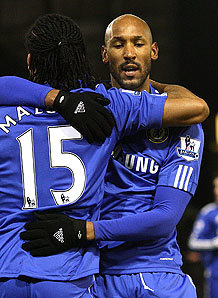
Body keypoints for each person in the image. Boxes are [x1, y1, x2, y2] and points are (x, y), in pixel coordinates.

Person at [0, 14, 209, 297]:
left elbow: (166, 216)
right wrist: (61, 99)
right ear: (103, 54)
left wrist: (83, 231)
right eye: (118, 44)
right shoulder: (102, 105)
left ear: (154, 51)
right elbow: (196, 106)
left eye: (138, 44)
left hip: (156, 271)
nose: (129, 53)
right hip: (93, 276)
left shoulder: (179, 126)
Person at [188, 175, 218, 298]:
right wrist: (214, 243)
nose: (216, 191)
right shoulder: (209, 212)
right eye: (215, 186)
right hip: (215, 273)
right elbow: (193, 242)